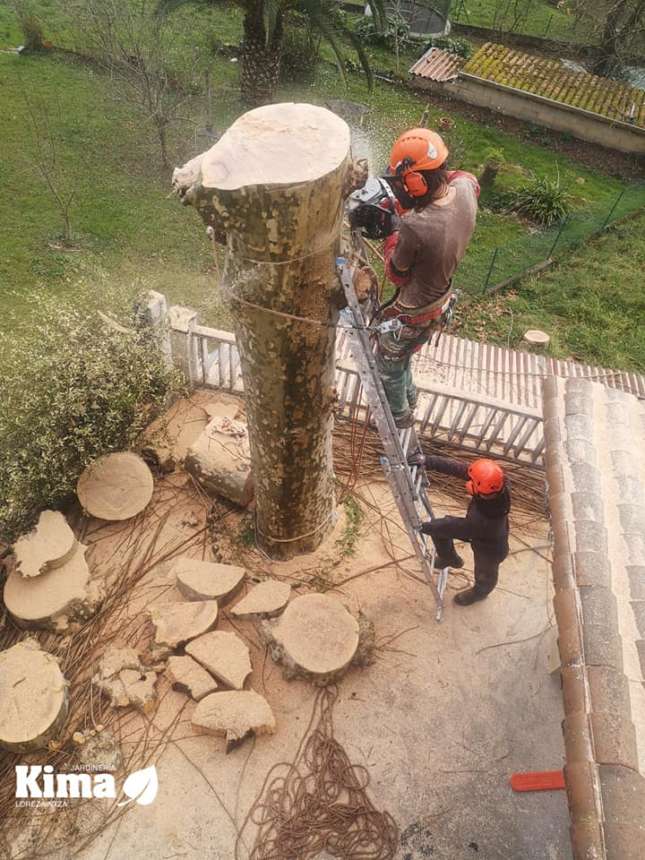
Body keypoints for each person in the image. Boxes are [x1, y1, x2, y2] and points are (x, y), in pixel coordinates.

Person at [377, 128, 480, 428]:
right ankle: (410, 400)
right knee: (406, 357)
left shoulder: (415, 226)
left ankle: (399, 417)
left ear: (416, 182)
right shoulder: (464, 190)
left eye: (404, 182)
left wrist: (394, 227)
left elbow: (396, 274)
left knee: (390, 364)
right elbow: (465, 177)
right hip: (440, 301)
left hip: (412, 313)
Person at [408, 452, 510, 606]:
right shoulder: (495, 485)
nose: (469, 481)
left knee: (485, 574)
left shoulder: (482, 522)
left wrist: (424, 527)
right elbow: (460, 469)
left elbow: (454, 526)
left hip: (490, 549)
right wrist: (429, 460)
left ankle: (479, 593)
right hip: (477, 531)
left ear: (480, 490)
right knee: (439, 530)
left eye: (473, 482)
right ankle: (449, 558)